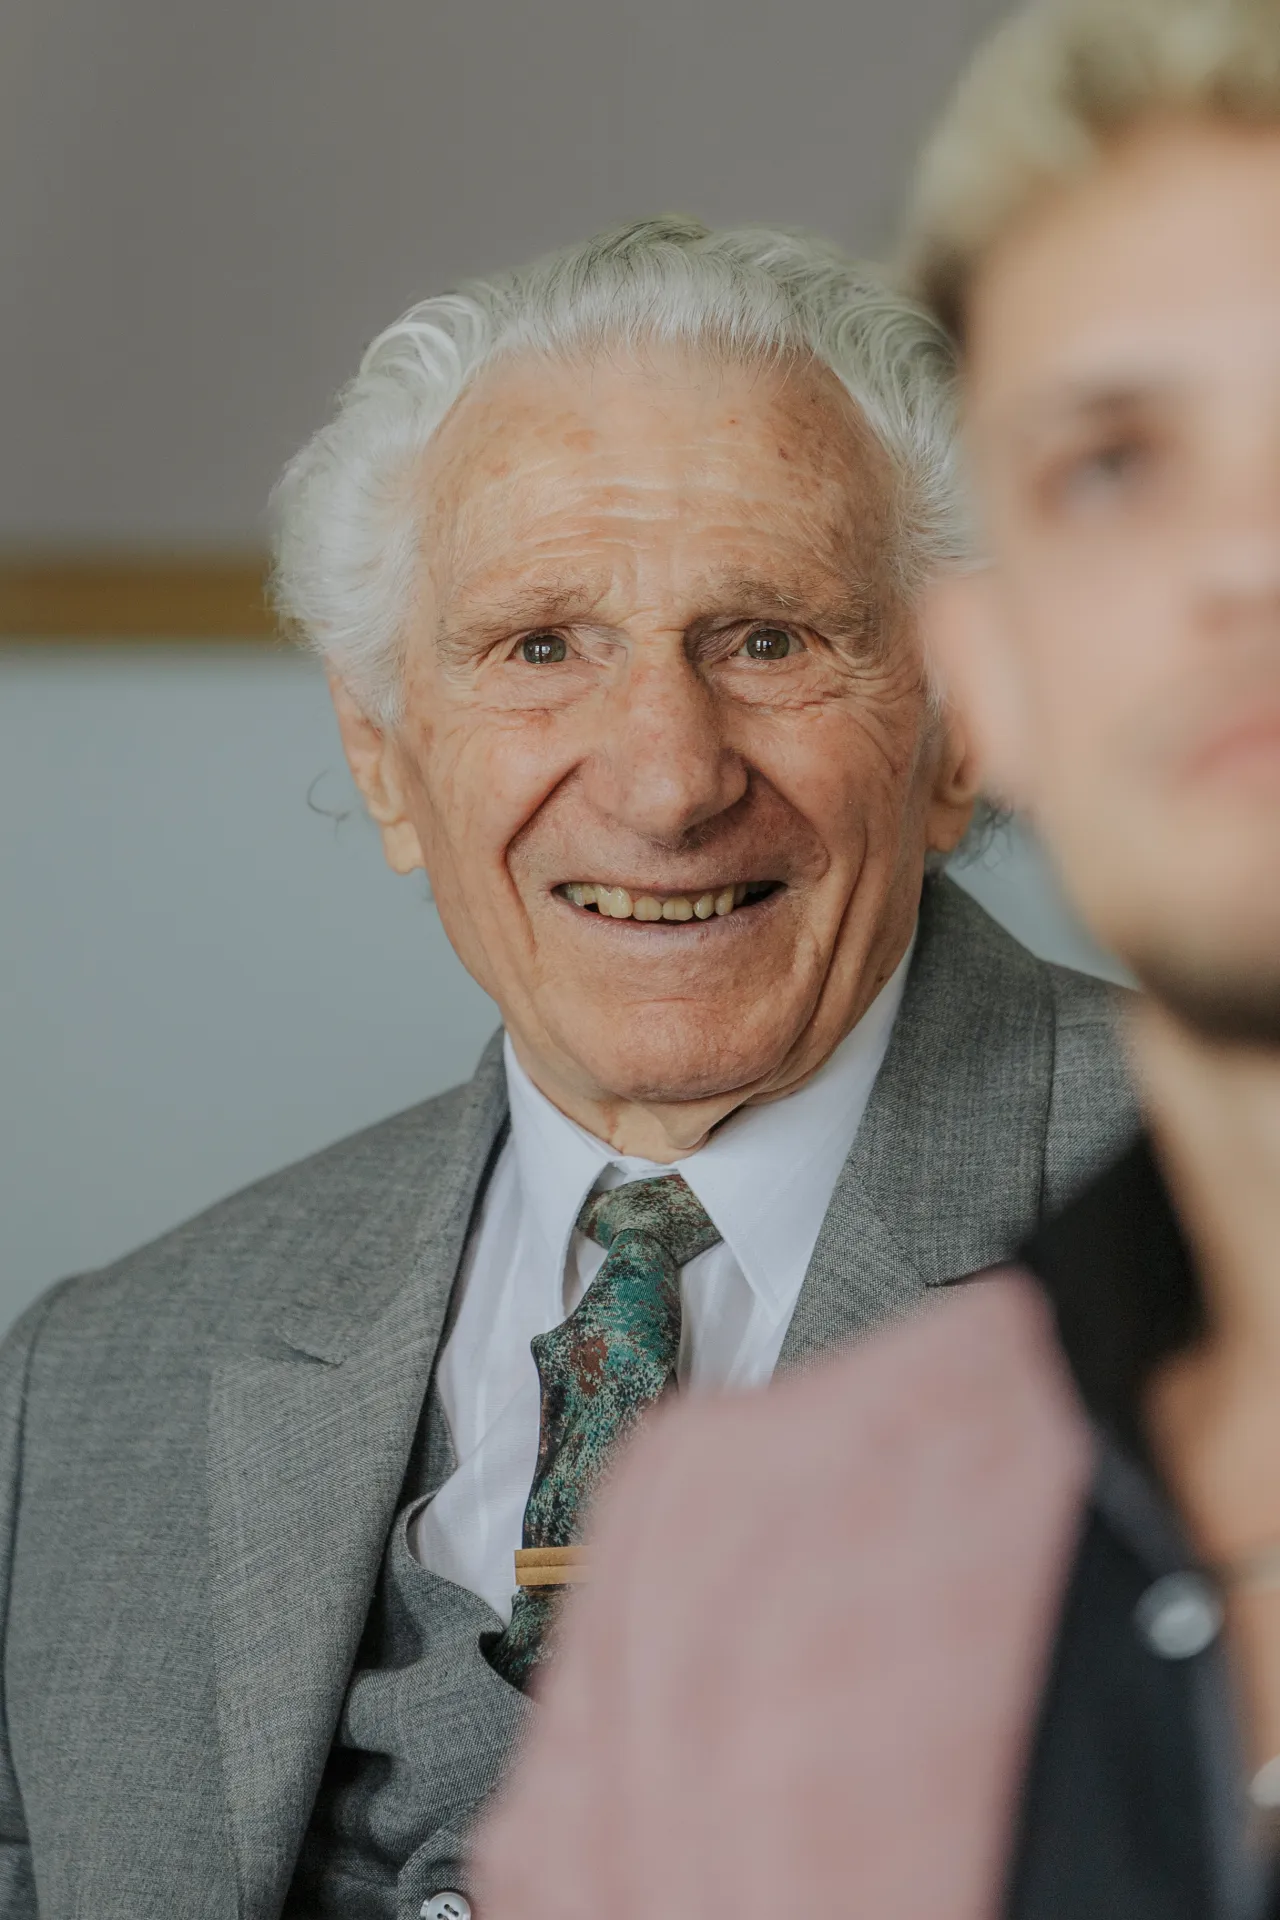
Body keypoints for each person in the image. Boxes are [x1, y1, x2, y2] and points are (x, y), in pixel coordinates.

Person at [0, 219, 1134, 1920]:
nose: (667, 782)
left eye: (766, 637)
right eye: (541, 646)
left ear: (956, 731)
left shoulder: (1228, 1228)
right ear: (386, 760)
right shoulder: (91, 1392)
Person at [472, 7, 1280, 1917]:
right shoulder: (740, 1558)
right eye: (1111, 465)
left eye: (765, 637)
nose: (1242, 563)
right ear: (989, 680)